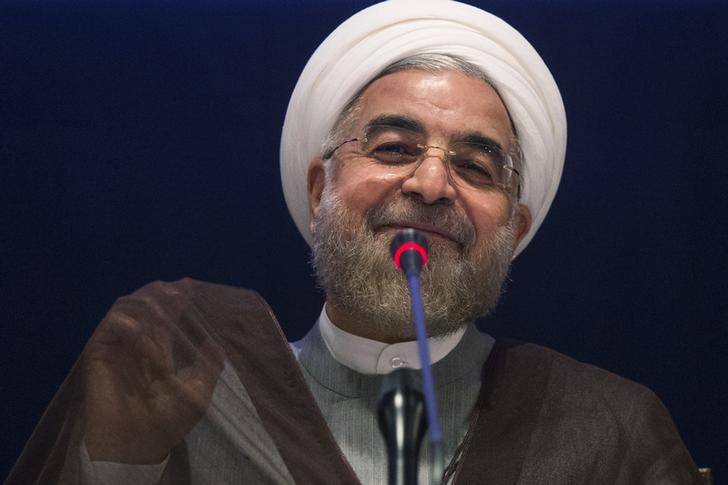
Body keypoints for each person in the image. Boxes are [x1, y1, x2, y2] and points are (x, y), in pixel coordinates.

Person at [6, 1, 701, 484]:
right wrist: (120, 463)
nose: (431, 183)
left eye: (475, 165)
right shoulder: (196, 400)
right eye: (394, 145)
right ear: (319, 190)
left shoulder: (604, 425)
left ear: (513, 228)